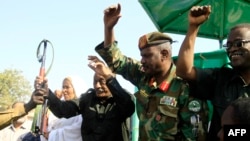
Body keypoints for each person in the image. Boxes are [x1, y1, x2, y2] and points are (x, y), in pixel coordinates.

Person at [94, 3, 209, 141]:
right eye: (141, 56)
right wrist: (109, 28)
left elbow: (195, 137)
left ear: (164, 54)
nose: (142, 61)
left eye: (147, 56)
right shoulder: (143, 76)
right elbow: (116, 61)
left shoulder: (186, 89)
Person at [176, 5, 250, 140]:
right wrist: (193, 27)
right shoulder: (220, 78)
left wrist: (231, 133)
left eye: (239, 43)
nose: (232, 49)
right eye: (229, 45)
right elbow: (184, 71)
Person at [32, 57, 135, 141]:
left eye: (102, 81)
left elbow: (128, 106)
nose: (98, 86)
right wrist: (48, 93)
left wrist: (108, 77)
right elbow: (64, 110)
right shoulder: (87, 99)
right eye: (95, 81)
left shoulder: (122, 98)